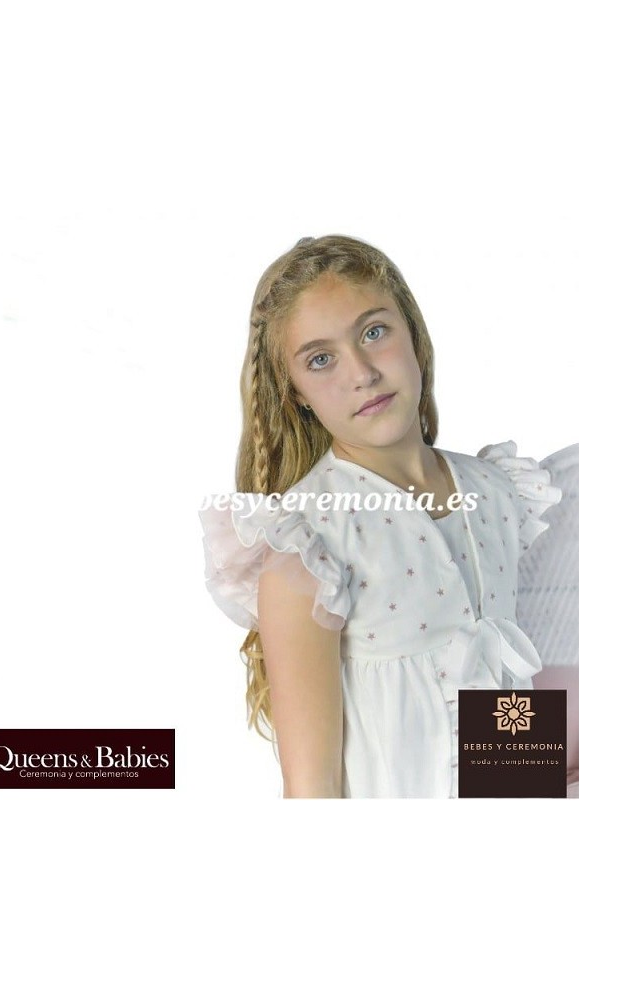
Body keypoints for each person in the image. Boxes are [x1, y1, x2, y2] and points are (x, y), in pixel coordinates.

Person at [199, 234, 563, 798]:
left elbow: (508, 718)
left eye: (373, 332)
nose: (362, 372)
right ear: (296, 393)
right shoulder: (310, 543)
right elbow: (312, 789)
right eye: (321, 360)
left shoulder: (499, 495)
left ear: (413, 332)